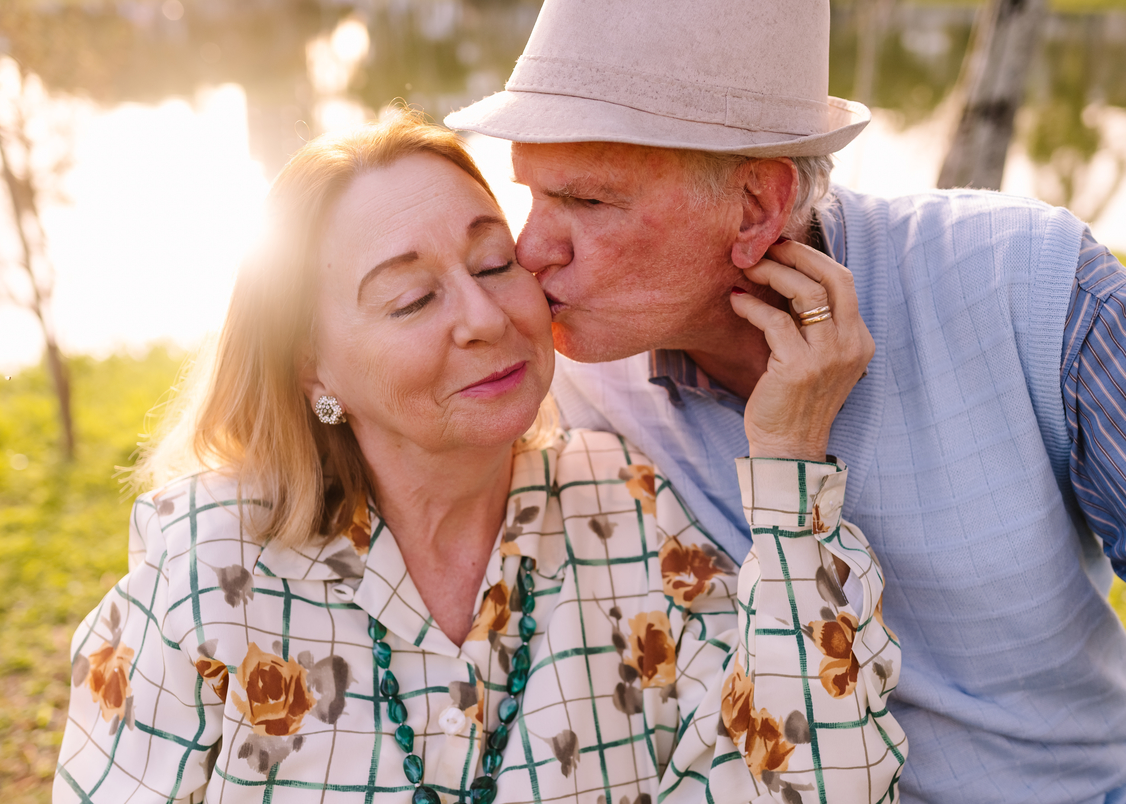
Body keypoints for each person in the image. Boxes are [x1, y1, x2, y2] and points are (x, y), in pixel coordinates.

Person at [53, 112, 903, 804]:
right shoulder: (201, 573)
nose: (486, 317)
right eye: (412, 298)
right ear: (312, 364)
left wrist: (790, 467)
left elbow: (817, 785)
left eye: (496, 263)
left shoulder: (636, 518)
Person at [443, 0, 1126, 802]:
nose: (531, 250)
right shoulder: (566, 388)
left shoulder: (1034, 288)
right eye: (532, 194)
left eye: (588, 202)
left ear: (756, 207)